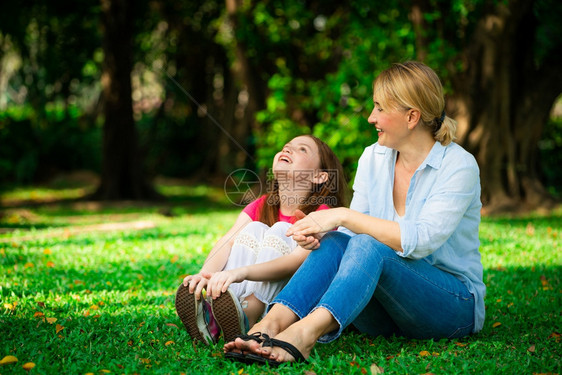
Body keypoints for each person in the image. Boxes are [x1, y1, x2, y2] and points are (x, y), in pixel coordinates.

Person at [223, 61, 486, 365]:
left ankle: (303, 334)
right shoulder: (373, 157)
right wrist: (323, 233)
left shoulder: (458, 165)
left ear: (411, 116)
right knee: (336, 241)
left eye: (380, 108)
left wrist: (343, 216)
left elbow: (421, 241)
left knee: (366, 242)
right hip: (385, 312)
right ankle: (267, 325)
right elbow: (347, 240)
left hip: (449, 306)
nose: (371, 117)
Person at [175, 135, 348, 345]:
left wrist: (240, 273)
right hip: (244, 289)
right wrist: (206, 275)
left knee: (281, 230)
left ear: (319, 177)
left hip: (289, 304)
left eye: (302, 149)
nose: (288, 150)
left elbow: (296, 262)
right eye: (286, 146)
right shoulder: (262, 205)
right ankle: (223, 311)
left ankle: (249, 314)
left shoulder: (322, 213)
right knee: (254, 228)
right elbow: (228, 241)